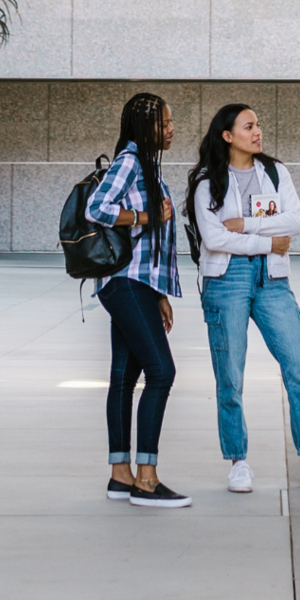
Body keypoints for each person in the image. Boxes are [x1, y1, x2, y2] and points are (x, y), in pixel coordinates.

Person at [185, 103, 300, 492]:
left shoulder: (274, 172)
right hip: (226, 280)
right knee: (230, 375)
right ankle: (238, 462)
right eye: (248, 126)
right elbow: (214, 238)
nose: (257, 131)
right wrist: (268, 242)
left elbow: (294, 221)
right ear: (227, 136)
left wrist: (246, 226)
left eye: (258, 124)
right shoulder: (206, 180)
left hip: (273, 282)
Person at [85, 93, 191, 509]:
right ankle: (146, 480)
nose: (171, 129)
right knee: (161, 372)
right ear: (144, 126)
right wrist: (148, 217)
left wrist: (159, 292)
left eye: (171, 121)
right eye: (164, 122)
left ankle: (120, 475)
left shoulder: (147, 166)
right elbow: (97, 208)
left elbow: (154, 245)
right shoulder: (129, 163)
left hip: (138, 284)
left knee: (125, 379)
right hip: (125, 282)